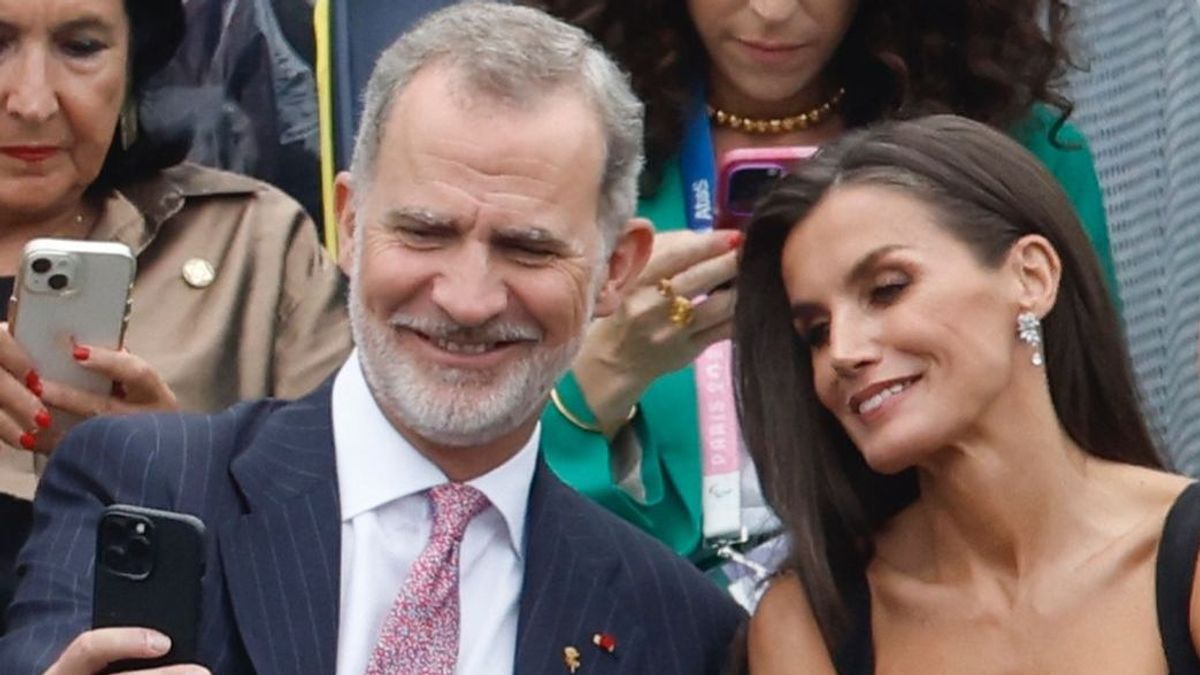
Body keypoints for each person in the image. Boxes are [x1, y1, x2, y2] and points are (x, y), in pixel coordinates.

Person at [0, 3, 745, 673]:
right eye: (425, 232)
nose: (467, 298)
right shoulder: (144, 484)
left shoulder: (682, 626)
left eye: (527, 248)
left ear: (617, 268)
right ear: (350, 225)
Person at [524, 0, 1121, 580]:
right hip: (643, 605)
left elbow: (1090, 425)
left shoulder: (1012, 144)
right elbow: (473, 497)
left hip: (946, 594)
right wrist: (601, 374)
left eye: (888, 288)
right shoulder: (558, 153)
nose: (773, 11)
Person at [734, 115, 1196, 673]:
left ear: (1031, 277)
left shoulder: (1183, 561)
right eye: (816, 332)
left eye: (887, 290)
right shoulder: (812, 623)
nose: (843, 352)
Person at [0, 0, 350, 625]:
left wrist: (178, 472)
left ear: (134, 61)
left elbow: (366, 551)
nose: (33, 101)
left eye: (80, 47)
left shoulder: (254, 246)